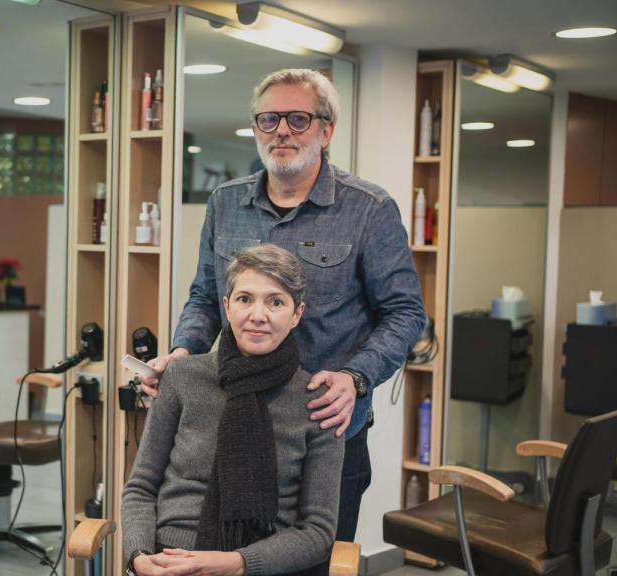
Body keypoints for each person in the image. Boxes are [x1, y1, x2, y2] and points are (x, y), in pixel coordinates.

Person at [141, 69, 426, 543]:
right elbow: (205, 298)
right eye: (269, 119)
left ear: (326, 129)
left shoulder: (368, 209)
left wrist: (355, 379)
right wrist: (182, 352)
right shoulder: (226, 203)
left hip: (325, 427)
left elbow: (406, 314)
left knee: (314, 557)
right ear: (255, 128)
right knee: (225, 553)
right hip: (233, 422)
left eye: (298, 118)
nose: (282, 132)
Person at [123, 244, 343, 576]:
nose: (258, 315)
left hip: (262, 564)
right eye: (245, 299)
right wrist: (139, 558)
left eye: (276, 302)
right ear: (227, 306)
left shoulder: (319, 399)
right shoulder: (183, 377)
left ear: (297, 314)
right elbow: (141, 487)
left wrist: (236, 563)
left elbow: (318, 531)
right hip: (166, 559)